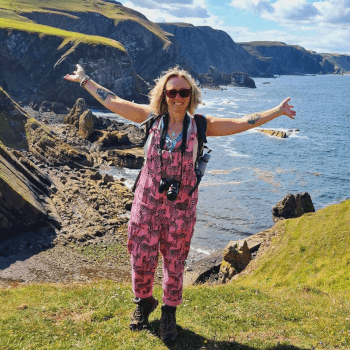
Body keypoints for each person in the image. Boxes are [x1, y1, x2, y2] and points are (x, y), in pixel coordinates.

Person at [64, 64, 296, 342]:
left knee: (175, 261)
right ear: (163, 94)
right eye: (172, 91)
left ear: (191, 95)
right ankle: (143, 302)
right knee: (141, 257)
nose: (178, 97)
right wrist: (84, 80)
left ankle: (169, 312)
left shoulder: (200, 125)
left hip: (181, 208)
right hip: (146, 203)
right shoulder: (149, 118)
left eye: (184, 91)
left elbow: (243, 122)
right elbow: (112, 100)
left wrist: (277, 111)